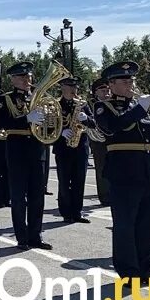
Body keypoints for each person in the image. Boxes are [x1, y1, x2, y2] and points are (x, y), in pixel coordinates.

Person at [94, 61, 150, 289]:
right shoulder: (104, 107)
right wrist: (139, 109)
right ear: (112, 84)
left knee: (148, 225)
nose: (131, 84)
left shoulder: (144, 106)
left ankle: (146, 270)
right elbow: (113, 127)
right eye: (125, 81)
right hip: (124, 173)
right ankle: (129, 273)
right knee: (125, 225)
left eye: (132, 81)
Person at [0, 62, 52, 251]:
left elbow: (51, 124)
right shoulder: (5, 99)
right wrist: (26, 119)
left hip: (37, 149)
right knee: (19, 196)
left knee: (38, 196)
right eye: (22, 77)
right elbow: (2, 122)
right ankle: (22, 237)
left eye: (28, 77)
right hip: (17, 150)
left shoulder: (40, 98)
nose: (26, 80)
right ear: (12, 79)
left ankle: (35, 235)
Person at [54, 77, 91, 223]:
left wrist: (86, 118)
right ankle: (66, 212)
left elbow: (94, 123)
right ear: (63, 88)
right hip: (63, 148)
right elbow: (48, 127)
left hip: (81, 147)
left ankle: (77, 211)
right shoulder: (55, 105)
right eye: (71, 87)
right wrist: (60, 132)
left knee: (79, 180)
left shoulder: (82, 104)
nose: (74, 90)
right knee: (64, 181)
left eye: (75, 87)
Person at [88, 78, 111, 206]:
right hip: (98, 142)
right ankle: (105, 196)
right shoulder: (92, 104)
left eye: (108, 90)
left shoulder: (112, 103)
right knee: (102, 168)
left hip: (112, 140)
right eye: (103, 90)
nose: (106, 93)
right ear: (95, 92)